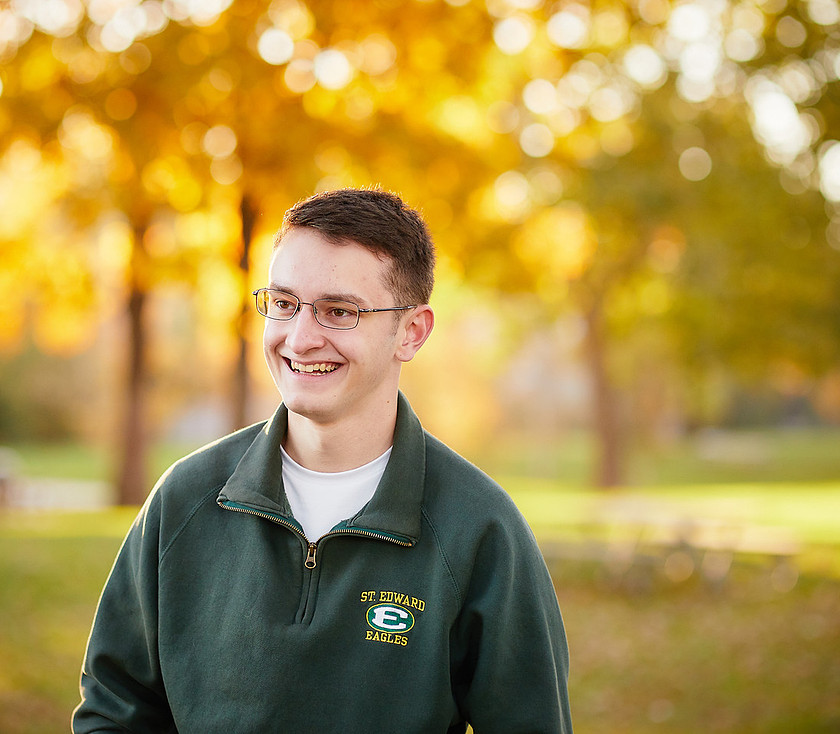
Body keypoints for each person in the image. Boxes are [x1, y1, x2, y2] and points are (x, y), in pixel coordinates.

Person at [73, 187, 572, 733]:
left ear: (411, 333)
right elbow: (113, 710)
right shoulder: (185, 500)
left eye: (339, 311)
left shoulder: (479, 529)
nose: (301, 338)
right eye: (285, 304)